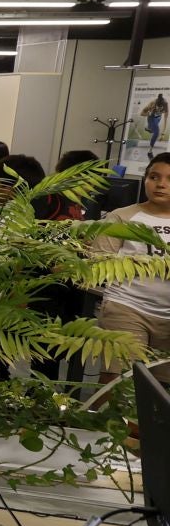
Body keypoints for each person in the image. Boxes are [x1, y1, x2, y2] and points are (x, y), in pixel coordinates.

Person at [92, 151, 170, 375]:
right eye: (154, 177)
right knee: (119, 383)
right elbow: (99, 264)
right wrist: (148, 265)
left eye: (169, 179)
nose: (160, 185)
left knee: (158, 392)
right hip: (127, 307)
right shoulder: (122, 217)